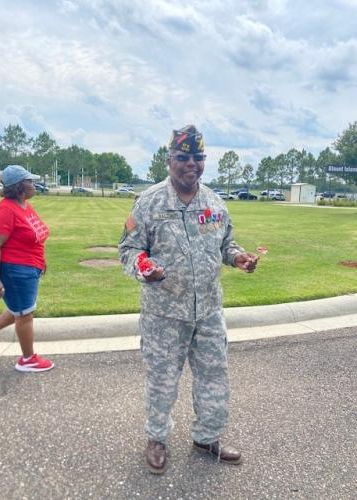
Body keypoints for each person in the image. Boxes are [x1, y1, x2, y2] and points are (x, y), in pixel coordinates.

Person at [119, 125, 258, 474]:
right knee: (162, 380)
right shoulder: (149, 202)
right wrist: (143, 267)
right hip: (164, 313)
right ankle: (157, 439)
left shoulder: (214, 202)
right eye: (183, 158)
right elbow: (129, 249)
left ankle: (207, 436)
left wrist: (238, 257)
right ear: (170, 160)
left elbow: (226, 243)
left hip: (208, 311)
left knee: (214, 375)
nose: (190, 164)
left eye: (197, 158)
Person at [0, 165, 54, 372]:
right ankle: (28, 359)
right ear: (19, 186)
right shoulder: (5, 209)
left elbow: (34, 235)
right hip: (13, 270)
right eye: (30, 181)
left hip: (27, 266)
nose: (34, 185)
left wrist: (41, 260)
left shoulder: (22, 205)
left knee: (17, 309)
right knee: (24, 314)